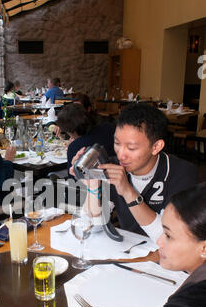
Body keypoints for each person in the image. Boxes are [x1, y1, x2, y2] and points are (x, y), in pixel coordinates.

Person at [71, 103, 198, 241]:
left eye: (131, 148)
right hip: (129, 252)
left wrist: (128, 192)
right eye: (117, 143)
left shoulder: (183, 174)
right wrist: (92, 184)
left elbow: (167, 239)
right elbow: (91, 228)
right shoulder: (112, 167)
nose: (121, 155)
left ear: (156, 146)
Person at [56, 102, 115, 176]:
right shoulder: (108, 128)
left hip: (92, 183)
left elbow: (73, 177)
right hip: (115, 174)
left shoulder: (75, 146)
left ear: (71, 131)